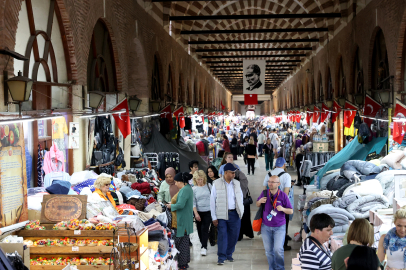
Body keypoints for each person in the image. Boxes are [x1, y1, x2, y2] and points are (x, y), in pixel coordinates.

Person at [210, 163, 244, 265]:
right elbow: (212, 201)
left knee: (234, 235)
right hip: (221, 215)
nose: (234, 174)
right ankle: (221, 257)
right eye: (232, 173)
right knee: (222, 236)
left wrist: (241, 212)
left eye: (234, 173)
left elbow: (240, 198)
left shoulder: (237, 183)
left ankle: (229, 254)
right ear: (225, 173)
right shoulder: (216, 183)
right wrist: (214, 217)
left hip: (235, 214)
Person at [257, 175, 293, 270]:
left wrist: (283, 209)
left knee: (278, 250)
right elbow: (257, 204)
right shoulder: (265, 193)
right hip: (266, 227)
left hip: (279, 227)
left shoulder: (283, 195)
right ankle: (272, 268)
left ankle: (280, 268)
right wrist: (260, 201)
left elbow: (291, 211)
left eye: (273, 182)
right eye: (269, 181)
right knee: (268, 251)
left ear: (279, 184)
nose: (270, 184)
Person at [263, 157, 292, 250]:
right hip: (281, 205)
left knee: (269, 221)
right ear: (284, 165)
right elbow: (286, 192)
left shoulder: (269, 174)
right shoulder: (287, 175)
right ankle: (282, 244)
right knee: (283, 224)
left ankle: (270, 242)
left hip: (269, 204)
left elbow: (264, 190)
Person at [166, 172, 194, 270]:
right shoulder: (187, 188)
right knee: (184, 243)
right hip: (184, 219)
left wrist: (170, 206)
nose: (175, 184)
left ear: (180, 182)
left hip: (181, 221)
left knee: (180, 243)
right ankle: (184, 263)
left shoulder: (184, 190)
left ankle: (182, 264)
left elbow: (180, 205)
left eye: (176, 182)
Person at [192, 170, 212, 256]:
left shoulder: (209, 186)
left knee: (205, 229)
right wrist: (196, 213)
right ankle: (202, 243)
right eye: (197, 179)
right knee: (199, 230)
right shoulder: (194, 189)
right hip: (198, 211)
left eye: (201, 179)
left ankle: (204, 247)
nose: (199, 181)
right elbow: (193, 202)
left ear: (204, 178)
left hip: (208, 211)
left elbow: (213, 198)